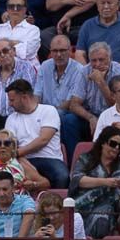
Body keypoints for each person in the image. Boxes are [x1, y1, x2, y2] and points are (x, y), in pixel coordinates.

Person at [71, 125, 120, 237]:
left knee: (103, 216)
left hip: (111, 212)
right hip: (83, 207)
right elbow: (78, 179)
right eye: (113, 144)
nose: (116, 148)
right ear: (103, 142)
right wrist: (105, 182)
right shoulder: (86, 158)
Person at [5, 79, 69, 189]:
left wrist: (18, 152)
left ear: (24, 97)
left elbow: (43, 140)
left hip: (50, 158)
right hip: (23, 160)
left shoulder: (48, 110)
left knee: (62, 176)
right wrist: (17, 155)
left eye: (12, 100)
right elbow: (10, 144)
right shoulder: (11, 118)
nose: (9, 104)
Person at [36, 35, 88, 166]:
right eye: (55, 51)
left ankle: (72, 163)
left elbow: (70, 103)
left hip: (68, 113)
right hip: (47, 112)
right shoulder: (44, 66)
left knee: (65, 118)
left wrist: (48, 114)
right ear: (50, 52)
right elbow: (37, 94)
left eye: (63, 50)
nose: (59, 55)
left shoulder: (79, 69)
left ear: (70, 50)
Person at [0, 128, 50, 199]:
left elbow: (45, 183)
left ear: (13, 147)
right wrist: (11, 185)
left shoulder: (20, 164)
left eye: (7, 143)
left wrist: (33, 184)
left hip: (16, 204)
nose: (2, 146)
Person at [74, 42, 120, 129]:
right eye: (93, 60)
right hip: (91, 114)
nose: (97, 64)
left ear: (110, 58)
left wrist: (100, 81)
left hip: (115, 114)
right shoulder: (84, 71)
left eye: (101, 60)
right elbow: (74, 104)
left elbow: (117, 105)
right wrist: (91, 118)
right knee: (70, 119)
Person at [0, 0, 40, 75]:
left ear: (25, 9)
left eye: (19, 6)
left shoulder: (33, 30)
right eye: (11, 6)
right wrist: (15, 43)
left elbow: (27, 52)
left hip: (23, 71)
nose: (15, 9)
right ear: (7, 9)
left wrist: (1, 43)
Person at [0, 40, 37, 118]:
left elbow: (28, 96)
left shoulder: (26, 68)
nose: (2, 55)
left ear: (14, 51)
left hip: (22, 117)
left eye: (5, 51)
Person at [0, 170, 36, 237]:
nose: (1, 194)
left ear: (13, 188)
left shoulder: (25, 200)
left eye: (5, 189)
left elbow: (29, 216)